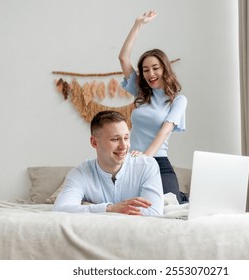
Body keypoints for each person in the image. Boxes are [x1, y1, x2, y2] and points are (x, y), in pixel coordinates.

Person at [118, 10, 188, 204]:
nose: (150, 74)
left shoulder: (178, 101)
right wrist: (137, 24)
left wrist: (145, 158)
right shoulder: (141, 92)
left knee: (168, 205)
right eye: (145, 70)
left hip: (157, 162)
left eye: (155, 68)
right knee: (135, 206)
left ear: (165, 68)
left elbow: (164, 132)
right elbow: (123, 58)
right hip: (132, 162)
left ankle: (184, 198)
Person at [52, 110, 164, 216]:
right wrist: (109, 208)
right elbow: (60, 209)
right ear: (94, 142)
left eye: (126, 138)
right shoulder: (80, 173)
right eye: (115, 139)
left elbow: (154, 212)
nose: (124, 146)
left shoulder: (147, 166)